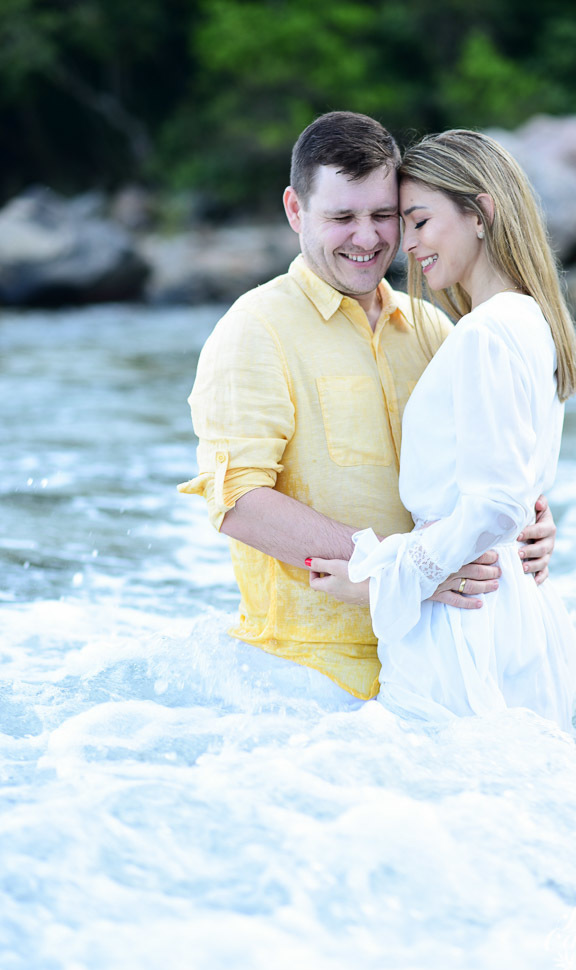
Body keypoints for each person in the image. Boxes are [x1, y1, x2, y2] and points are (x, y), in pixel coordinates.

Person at [178, 112, 556, 710]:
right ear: (295, 211)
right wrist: (411, 572)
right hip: (307, 680)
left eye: (384, 215)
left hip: (436, 663)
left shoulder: (434, 327)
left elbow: (484, 471)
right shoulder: (254, 329)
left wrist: (529, 526)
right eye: (341, 217)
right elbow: (238, 501)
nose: (369, 237)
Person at [308, 129, 576, 731]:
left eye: (420, 221)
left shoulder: (486, 331)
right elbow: (513, 497)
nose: (407, 245)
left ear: (481, 212)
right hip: (510, 602)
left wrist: (382, 581)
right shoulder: (528, 320)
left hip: (468, 614)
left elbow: (496, 504)